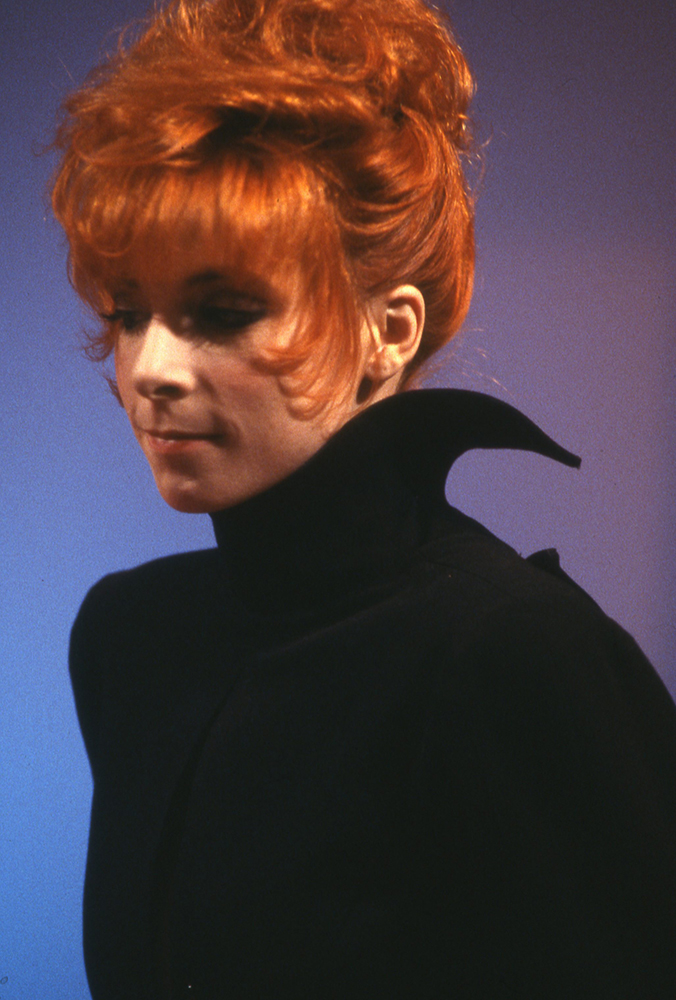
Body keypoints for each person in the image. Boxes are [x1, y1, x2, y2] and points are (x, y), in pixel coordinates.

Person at [52, 0, 676, 997]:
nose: (150, 368)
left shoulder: (507, 655)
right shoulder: (132, 638)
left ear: (390, 332)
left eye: (222, 311)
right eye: (130, 312)